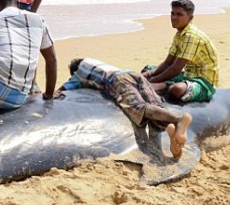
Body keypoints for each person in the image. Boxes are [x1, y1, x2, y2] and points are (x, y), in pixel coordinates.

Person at [57, 58, 192, 158]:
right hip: (133, 74)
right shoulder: (93, 62)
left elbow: (66, 87)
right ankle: (175, 140)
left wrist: (56, 91)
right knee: (155, 106)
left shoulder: (78, 72)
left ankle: (178, 119)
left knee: (138, 108)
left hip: (117, 80)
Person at [141, 0, 219, 103]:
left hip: (202, 81)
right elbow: (168, 63)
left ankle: (164, 86)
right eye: (172, 13)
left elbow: (176, 68)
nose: (174, 17)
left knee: (176, 89)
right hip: (187, 74)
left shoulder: (192, 36)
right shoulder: (179, 34)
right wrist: (146, 75)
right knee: (148, 69)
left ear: (190, 17)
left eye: (179, 14)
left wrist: (151, 81)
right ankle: (162, 85)